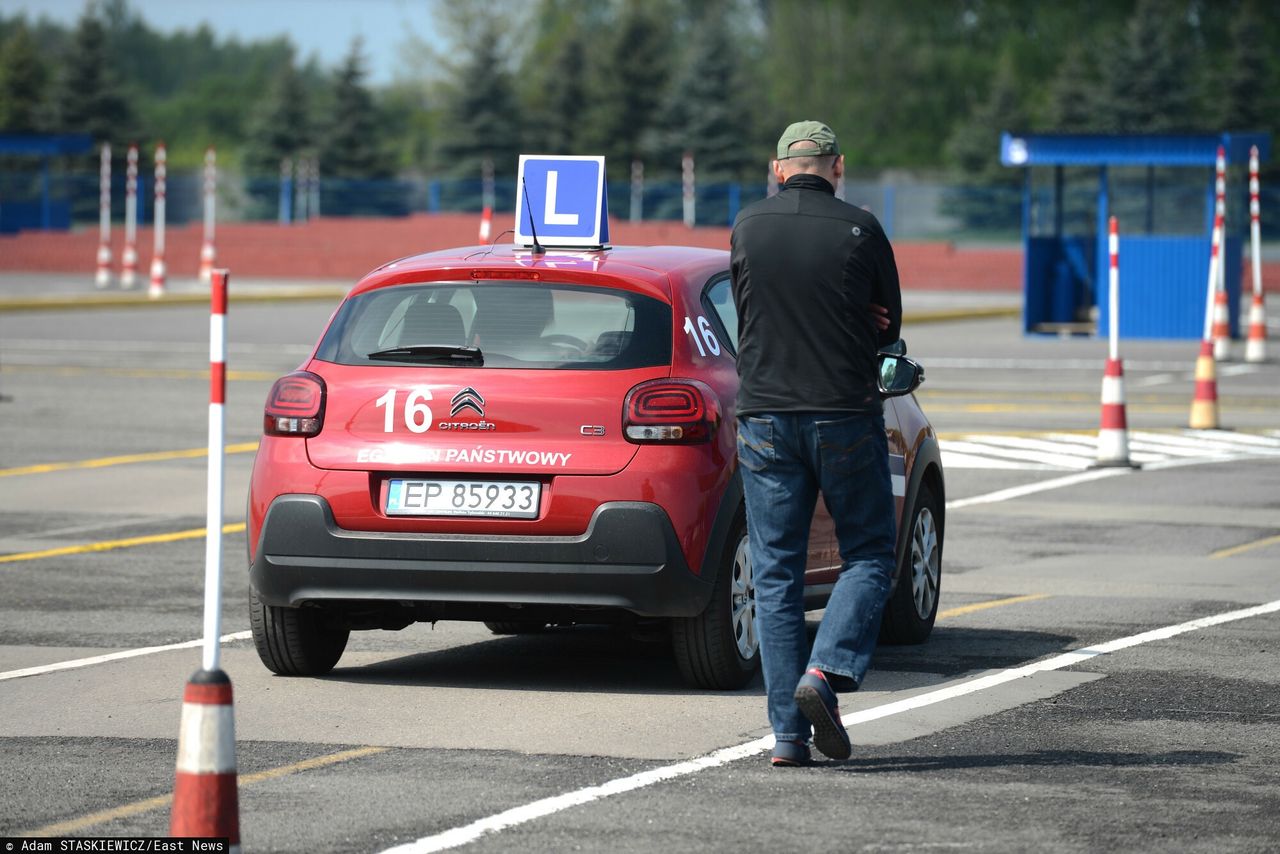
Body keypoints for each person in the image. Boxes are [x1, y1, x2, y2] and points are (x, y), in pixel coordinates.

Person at [729, 120, 902, 766]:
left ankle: (786, 737)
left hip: (765, 416)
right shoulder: (861, 229)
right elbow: (891, 326)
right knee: (870, 554)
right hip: (842, 412)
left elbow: (749, 312)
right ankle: (824, 673)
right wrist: (864, 317)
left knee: (775, 573)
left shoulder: (747, 227)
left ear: (778, 169)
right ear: (838, 166)